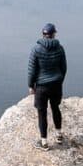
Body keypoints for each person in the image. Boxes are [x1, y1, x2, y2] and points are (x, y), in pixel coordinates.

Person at [27, 22, 67, 151]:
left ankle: (44, 142)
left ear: (43, 34)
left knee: (42, 113)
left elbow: (32, 70)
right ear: (54, 34)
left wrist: (30, 85)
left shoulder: (36, 49)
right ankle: (59, 135)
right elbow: (64, 68)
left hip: (42, 87)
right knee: (55, 108)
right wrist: (59, 81)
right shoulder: (60, 48)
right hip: (56, 84)